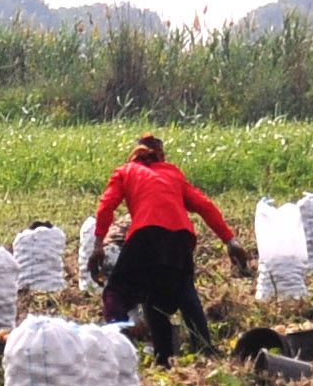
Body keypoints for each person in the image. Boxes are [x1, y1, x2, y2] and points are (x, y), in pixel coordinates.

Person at [93, 133, 250, 363]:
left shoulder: (126, 171)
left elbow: (106, 206)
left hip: (145, 235)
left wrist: (98, 244)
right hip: (180, 239)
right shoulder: (173, 174)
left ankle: (117, 347)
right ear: (161, 155)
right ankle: (194, 352)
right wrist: (230, 241)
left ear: (135, 153)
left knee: (115, 292)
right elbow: (205, 205)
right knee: (173, 294)